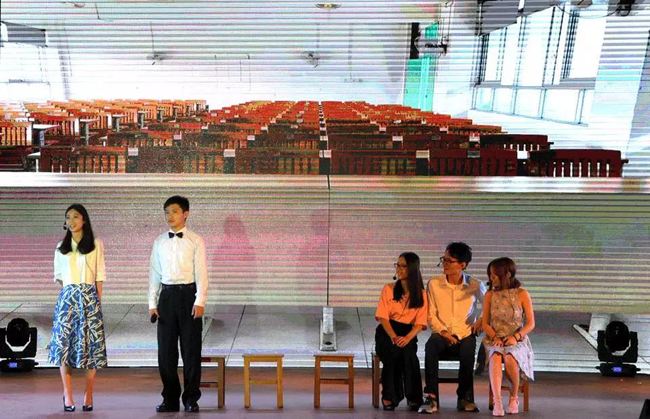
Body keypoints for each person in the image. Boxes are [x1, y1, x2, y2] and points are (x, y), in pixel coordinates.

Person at [149, 195, 209, 413]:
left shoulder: (195, 240)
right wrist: (152, 302)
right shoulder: (159, 241)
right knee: (166, 353)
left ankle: (191, 399)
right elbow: (154, 274)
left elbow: (201, 272)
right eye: (167, 212)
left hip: (188, 296)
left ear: (186, 214)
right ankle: (170, 398)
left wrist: (200, 300)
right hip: (166, 298)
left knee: (191, 351)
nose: (170, 216)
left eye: (174, 211)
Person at [48, 204, 107, 412]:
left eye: (75, 217)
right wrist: (71, 294)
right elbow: (59, 277)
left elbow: (100, 275)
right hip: (67, 300)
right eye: (68, 217)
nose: (71, 221)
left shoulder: (96, 244)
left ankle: (89, 393)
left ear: (84, 220)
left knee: (91, 347)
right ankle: (67, 393)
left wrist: (97, 300)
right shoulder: (60, 247)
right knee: (65, 346)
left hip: (90, 299)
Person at [419, 242, 486, 414]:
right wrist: (444, 333)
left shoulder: (475, 284)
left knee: (468, 349)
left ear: (462, 264)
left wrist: (480, 321)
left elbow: (490, 305)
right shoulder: (434, 284)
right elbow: (431, 314)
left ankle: (464, 397)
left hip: (466, 332)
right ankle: (431, 397)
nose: (445, 264)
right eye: (444, 259)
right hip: (442, 332)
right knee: (431, 346)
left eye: (449, 261)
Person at [375, 252, 428, 411]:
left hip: (408, 333)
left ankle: (414, 397)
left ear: (412, 268)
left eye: (403, 266)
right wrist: (394, 336)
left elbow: (420, 323)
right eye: (397, 265)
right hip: (387, 331)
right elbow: (383, 317)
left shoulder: (421, 294)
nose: (399, 269)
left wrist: (407, 338)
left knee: (409, 356)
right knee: (392, 353)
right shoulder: (388, 289)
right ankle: (390, 396)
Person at [482, 257, 535, 417]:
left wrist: (516, 337)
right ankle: (497, 402)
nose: (491, 277)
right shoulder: (490, 295)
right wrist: (495, 337)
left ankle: (513, 397)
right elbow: (485, 323)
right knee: (496, 356)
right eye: (490, 274)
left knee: (511, 357)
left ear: (507, 274)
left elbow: (530, 324)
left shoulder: (522, 294)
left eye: (495, 274)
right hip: (495, 338)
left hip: (516, 339)